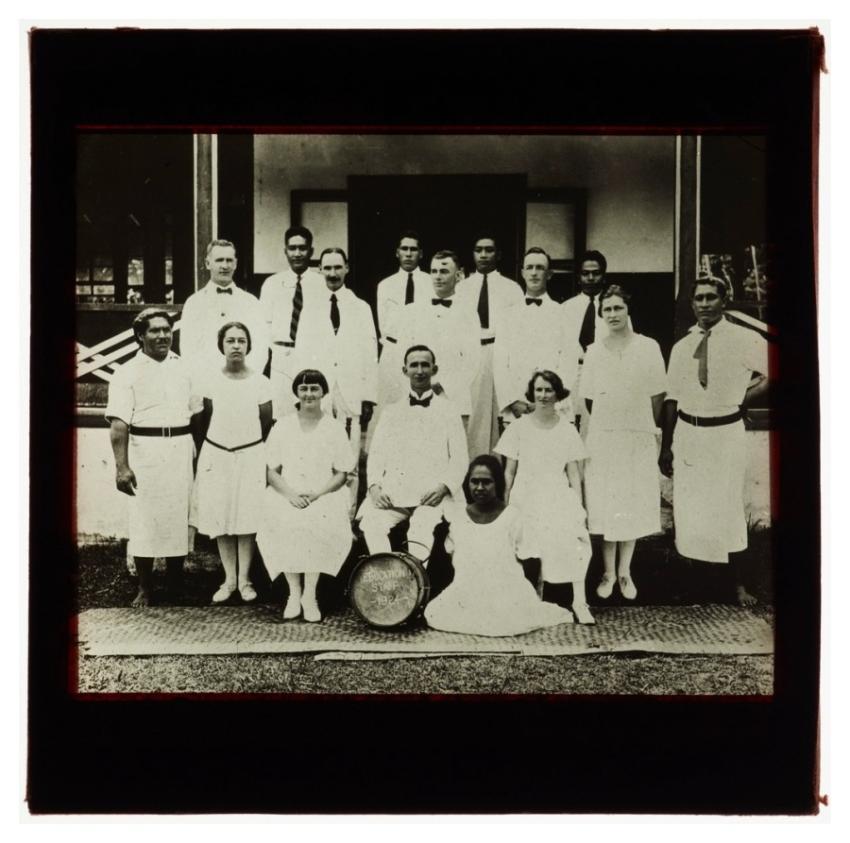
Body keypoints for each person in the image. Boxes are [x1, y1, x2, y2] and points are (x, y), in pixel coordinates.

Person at [659, 275, 770, 606]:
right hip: (689, 433)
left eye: (711, 297)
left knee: (726, 505)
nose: (704, 304)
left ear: (725, 300)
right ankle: (696, 584)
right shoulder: (682, 346)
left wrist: (743, 397)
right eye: (699, 298)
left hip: (725, 432)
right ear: (692, 304)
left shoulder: (744, 338)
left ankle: (737, 584)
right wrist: (666, 446)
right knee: (691, 507)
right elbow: (671, 398)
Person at [104, 308, 202, 606]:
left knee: (178, 516)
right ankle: (145, 588)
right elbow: (119, 425)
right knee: (145, 518)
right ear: (140, 336)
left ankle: (174, 584)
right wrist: (122, 467)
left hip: (181, 447)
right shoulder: (126, 372)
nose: (162, 336)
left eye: (166, 330)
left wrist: (198, 453)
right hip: (144, 450)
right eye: (155, 331)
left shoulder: (185, 367)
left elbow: (197, 414)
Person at [424, 455, 575, 636]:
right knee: (434, 613)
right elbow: (452, 556)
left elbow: (531, 558)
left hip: (505, 592)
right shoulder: (458, 518)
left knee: (507, 622)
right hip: (468, 591)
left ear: (497, 484)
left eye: (486, 482)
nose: (480, 487)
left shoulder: (512, 516)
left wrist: (524, 595)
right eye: (475, 482)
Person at [581, 285, 667, 601]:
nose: (613, 315)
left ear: (627, 310)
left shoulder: (648, 347)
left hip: (636, 436)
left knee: (629, 502)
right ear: (601, 314)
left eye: (618, 308)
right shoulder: (593, 351)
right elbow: (589, 399)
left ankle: (625, 572)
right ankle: (606, 573)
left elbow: (658, 394)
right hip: (604, 437)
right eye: (607, 310)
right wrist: (610, 421)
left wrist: (641, 426)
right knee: (606, 502)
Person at [494, 370, 594, 623]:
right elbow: (509, 472)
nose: (543, 395)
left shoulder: (567, 430)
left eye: (549, 390)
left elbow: (574, 475)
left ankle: (579, 602)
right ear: (531, 393)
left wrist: (580, 510)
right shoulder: (518, 427)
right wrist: (505, 507)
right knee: (525, 544)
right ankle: (529, 601)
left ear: (558, 394)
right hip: (525, 494)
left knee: (574, 537)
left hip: (557, 494)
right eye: (539, 389)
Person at [256, 369, 355, 622]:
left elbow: (342, 473)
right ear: (297, 393)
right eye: (303, 389)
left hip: (323, 492)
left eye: (314, 389)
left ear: (323, 392)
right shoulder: (283, 426)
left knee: (317, 521)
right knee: (284, 519)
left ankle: (310, 595)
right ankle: (293, 592)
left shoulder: (333, 428)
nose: (309, 394)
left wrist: (317, 494)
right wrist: (290, 494)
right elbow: (271, 471)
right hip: (287, 491)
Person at [357, 345, 468, 563]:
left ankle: (415, 589)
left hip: (431, 494)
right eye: (414, 365)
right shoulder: (391, 412)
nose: (419, 370)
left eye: (425, 365)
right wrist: (375, 487)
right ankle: (389, 577)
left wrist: (444, 486)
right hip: (395, 493)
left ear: (434, 369)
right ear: (404, 370)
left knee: (420, 529)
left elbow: (460, 458)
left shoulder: (449, 411)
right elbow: (377, 456)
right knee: (372, 523)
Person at [191, 322, 274, 604]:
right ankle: (228, 580)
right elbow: (203, 420)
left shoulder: (261, 381)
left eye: (241, 340)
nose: (236, 345)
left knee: (246, 515)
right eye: (230, 341)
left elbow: (265, 422)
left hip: (250, 454)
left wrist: (246, 444)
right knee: (222, 517)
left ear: (249, 346)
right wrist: (218, 446)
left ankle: (245, 580)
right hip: (217, 454)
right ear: (222, 346)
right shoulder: (210, 379)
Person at [294, 247, 378, 507]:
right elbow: (302, 351)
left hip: (350, 392)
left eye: (337, 267)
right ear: (320, 271)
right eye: (327, 268)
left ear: (346, 269)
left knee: (349, 459)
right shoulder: (310, 308)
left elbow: (370, 353)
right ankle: (321, 512)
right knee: (320, 455)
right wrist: (304, 395)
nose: (332, 273)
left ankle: (347, 516)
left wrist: (368, 397)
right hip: (321, 393)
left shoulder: (360, 307)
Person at [494, 246, 581, 426]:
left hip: (554, 409)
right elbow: (500, 363)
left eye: (540, 268)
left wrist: (550, 400)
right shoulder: (507, 315)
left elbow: (569, 362)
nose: (534, 273)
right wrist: (513, 401)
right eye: (530, 268)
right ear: (523, 273)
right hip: (517, 410)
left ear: (549, 274)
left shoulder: (563, 313)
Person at [395, 250, 481, 428]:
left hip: (453, 398)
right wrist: (420, 385)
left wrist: (443, 387)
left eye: (444, 271)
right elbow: (401, 353)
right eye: (434, 271)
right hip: (417, 394)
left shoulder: (468, 313)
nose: (438, 277)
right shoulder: (412, 311)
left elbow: (473, 360)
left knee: (453, 451)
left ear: (458, 275)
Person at [457, 233, 524, 457]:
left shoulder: (512, 289)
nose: (484, 255)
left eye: (489, 250)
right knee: (473, 414)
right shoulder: (462, 289)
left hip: (501, 352)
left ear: (499, 254)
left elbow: (517, 333)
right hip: (472, 352)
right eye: (479, 250)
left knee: (500, 413)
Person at [178, 239, 268, 382]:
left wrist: (247, 377)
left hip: (243, 381)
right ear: (208, 263)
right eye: (219, 260)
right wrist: (201, 383)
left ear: (235, 264)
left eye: (229, 260)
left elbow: (261, 346)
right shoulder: (194, 303)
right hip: (206, 383)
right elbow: (188, 349)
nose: (225, 266)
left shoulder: (251, 302)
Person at [259, 225, 324, 418]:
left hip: (312, 354)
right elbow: (264, 324)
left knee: (311, 410)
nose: (297, 253)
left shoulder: (321, 283)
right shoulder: (272, 284)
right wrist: (278, 349)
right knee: (282, 412)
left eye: (302, 248)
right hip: (281, 355)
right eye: (292, 248)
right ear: (285, 251)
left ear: (311, 251)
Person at [561, 250, 628, 430]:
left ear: (603, 276)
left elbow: (626, 346)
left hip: (604, 376)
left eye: (596, 273)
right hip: (572, 376)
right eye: (585, 273)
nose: (590, 277)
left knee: (598, 429)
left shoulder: (615, 308)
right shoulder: (566, 308)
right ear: (578, 276)